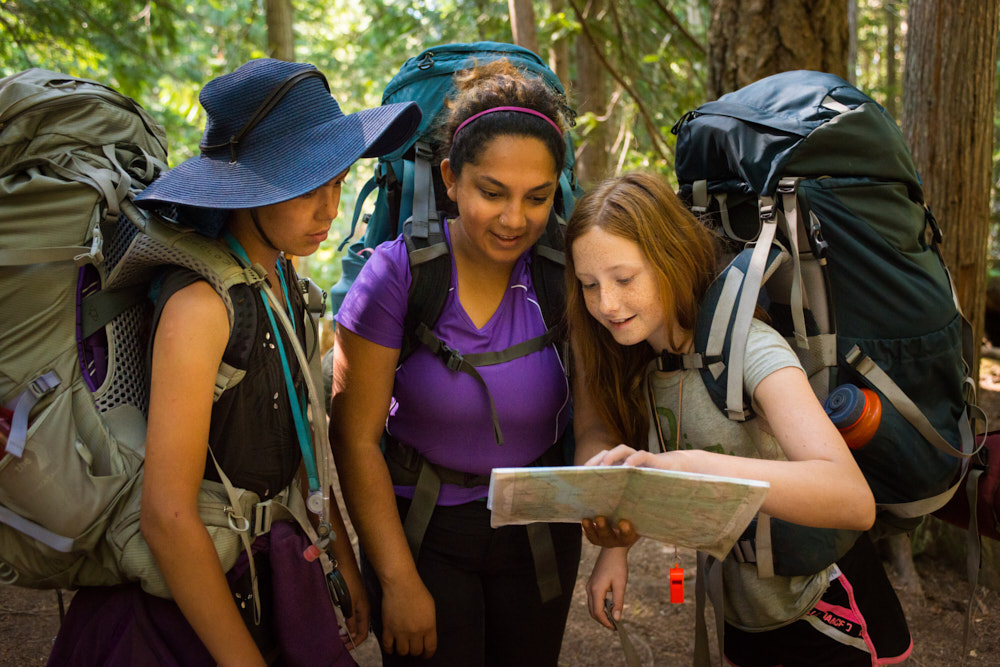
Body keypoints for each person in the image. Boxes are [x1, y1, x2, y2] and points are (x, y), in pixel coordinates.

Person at [47, 58, 421, 667]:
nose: (330, 209)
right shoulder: (201, 306)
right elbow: (167, 516)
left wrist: (340, 560)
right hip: (179, 614)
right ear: (249, 189)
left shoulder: (282, 277)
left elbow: (298, 447)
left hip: (261, 573)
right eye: (306, 187)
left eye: (338, 182)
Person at [565, 172, 912, 666]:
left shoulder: (748, 346)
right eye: (588, 285)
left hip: (830, 614)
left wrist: (694, 466)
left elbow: (852, 500)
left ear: (670, 259)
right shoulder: (640, 362)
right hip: (742, 617)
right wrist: (614, 549)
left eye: (624, 279)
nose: (607, 304)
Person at [329, 58, 581, 666]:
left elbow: (592, 417)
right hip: (424, 532)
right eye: (491, 192)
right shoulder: (398, 275)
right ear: (449, 177)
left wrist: (606, 493)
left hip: (540, 530)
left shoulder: (566, 273)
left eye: (537, 197)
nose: (514, 219)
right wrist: (398, 581)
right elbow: (354, 437)